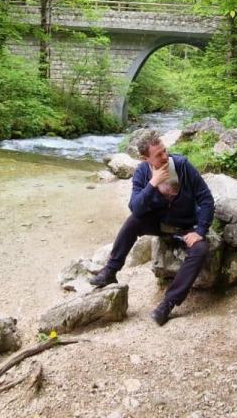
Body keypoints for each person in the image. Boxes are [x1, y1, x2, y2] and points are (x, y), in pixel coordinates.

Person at [89, 129, 215, 326]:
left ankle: (168, 303)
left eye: (165, 151)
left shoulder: (182, 166)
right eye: (158, 155)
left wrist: (200, 231)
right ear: (145, 158)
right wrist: (153, 184)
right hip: (159, 224)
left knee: (200, 249)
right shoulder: (141, 172)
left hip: (185, 226)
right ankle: (110, 270)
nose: (165, 156)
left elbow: (206, 199)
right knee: (133, 221)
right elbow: (136, 208)